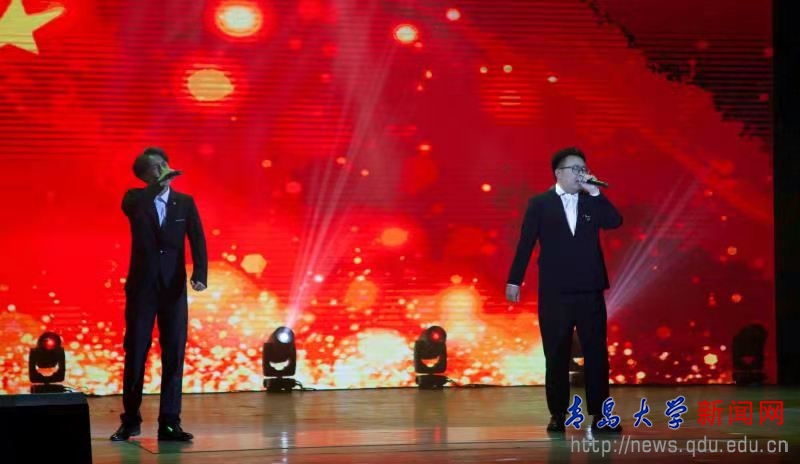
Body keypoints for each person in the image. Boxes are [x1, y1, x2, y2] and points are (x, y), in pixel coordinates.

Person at [506, 146, 622, 433]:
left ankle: (600, 415)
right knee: (556, 353)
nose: (581, 174)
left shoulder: (591, 200)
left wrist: (595, 193)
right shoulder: (540, 204)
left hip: (589, 290)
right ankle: (558, 414)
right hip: (555, 292)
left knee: (596, 353)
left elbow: (614, 221)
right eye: (575, 169)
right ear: (558, 173)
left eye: (584, 168)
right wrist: (514, 280)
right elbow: (526, 243)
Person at [111, 147, 208, 442]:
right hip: (142, 289)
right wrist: (157, 185)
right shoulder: (135, 199)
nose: (162, 169)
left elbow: (197, 238)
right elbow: (136, 206)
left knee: (174, 354)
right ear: (144, 175)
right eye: (155, 167)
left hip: (173, 288)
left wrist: (200, 274)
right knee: (136, 351)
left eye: (164, 164)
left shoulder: (184, 203)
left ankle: (169, 422)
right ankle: (130, 421)